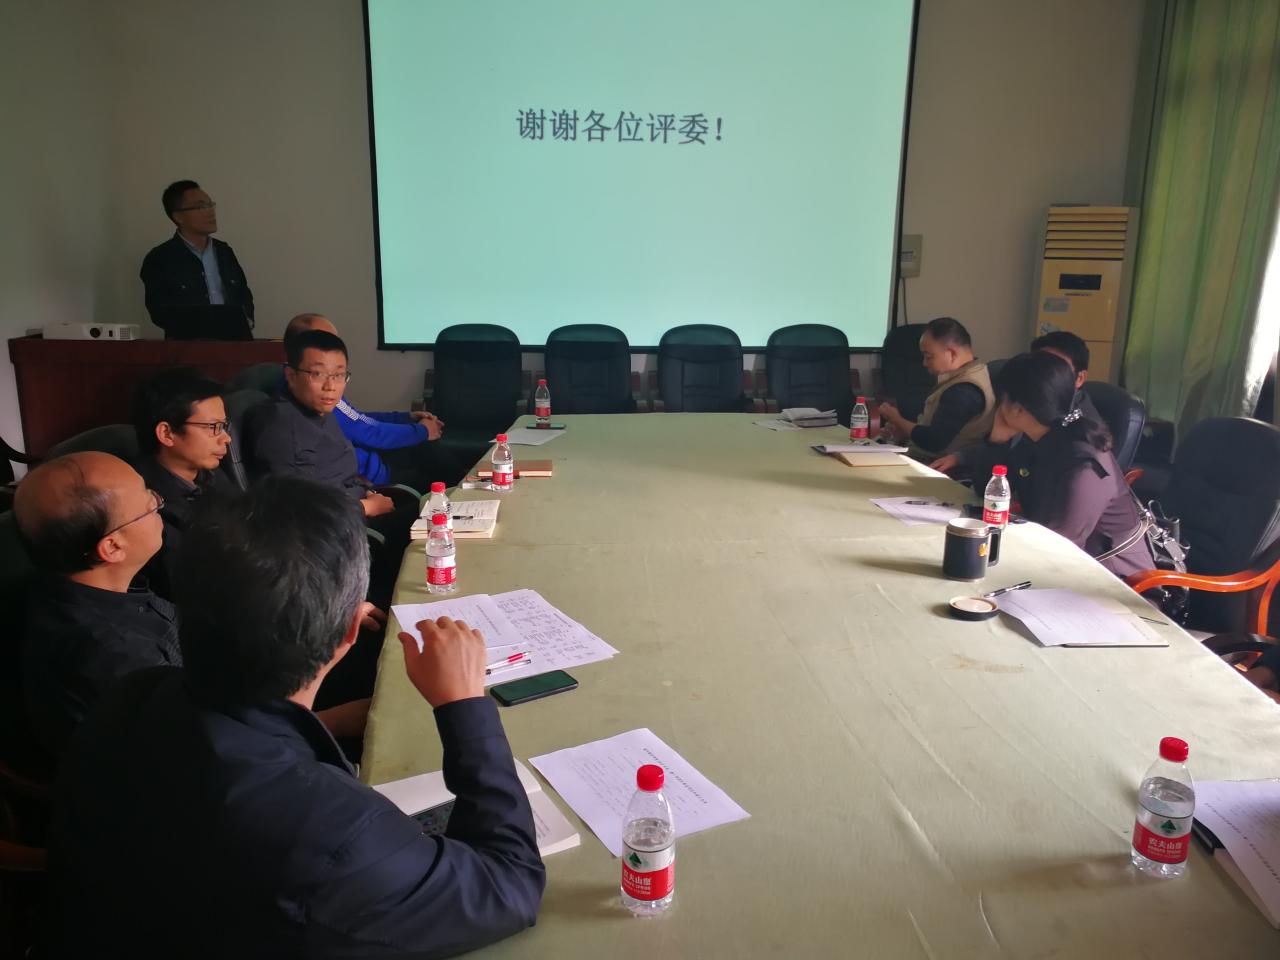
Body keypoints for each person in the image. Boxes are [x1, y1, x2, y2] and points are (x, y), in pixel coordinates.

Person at [48, 477, 546, 956]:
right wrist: (464, 706)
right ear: (351, 631)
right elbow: (510, 886)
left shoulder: (134, 692)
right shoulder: (333, 833)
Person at [14, 452, 179, 757]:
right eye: (150, 505)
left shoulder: (87, 584)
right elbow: (192, 743)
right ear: (113, 546)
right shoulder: (115, 654)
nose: (159, 503)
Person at [243, 328, 414, 611]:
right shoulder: (281, 426)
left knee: (436, 515)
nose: (330, 386)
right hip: (335, 538)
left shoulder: (319, 412)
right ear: (291, 375)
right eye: (317, 374)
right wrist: (365, 507)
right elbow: (296, 509)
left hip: (352, 514)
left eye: (339, 375)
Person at [989, 352, 1154, 577]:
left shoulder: (1083, 465)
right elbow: (989, 492)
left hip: (1115, 582)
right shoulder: (1039, 439)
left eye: (1001, 399)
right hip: (1061, 565)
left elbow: (1060, 549)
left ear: (1018, 408)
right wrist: (997, 442)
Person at [284, 313, 458, 488]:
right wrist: (422, 431)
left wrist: (405, 418)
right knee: (435, 470)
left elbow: (358, 418)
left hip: (373, 461)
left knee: (430, 452)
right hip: (371, 477)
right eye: (322, 341)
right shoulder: (308, 399)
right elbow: (368, 432)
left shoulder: (321, 392)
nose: (333, 347)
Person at [930, 330, 1100, 477]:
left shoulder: (1079, 429)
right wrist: (966, 455)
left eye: (1055, 366)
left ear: (1080, 378)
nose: (1043, 372)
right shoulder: (1024, 407)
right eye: (1038, 364)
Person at [131, 368, 232, 600]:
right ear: (167, 433)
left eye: (224, 425)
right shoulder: (144, 507)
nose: (226, 438)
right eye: (213, 427)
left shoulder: (211, 475)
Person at [139, 179, 254, 334]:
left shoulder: (224, 251)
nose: (210, 211)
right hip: (188, 345)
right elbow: (159, 311)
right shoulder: (160, 259)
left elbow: (243, 293)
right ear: (178, 216)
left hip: (233, 341)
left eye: (210, 205)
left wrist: (246, 320)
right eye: (201, 207)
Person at [879, 317, 995, 461]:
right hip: (920, 454)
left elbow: (933, 441)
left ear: (952, 354)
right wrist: (903, 432)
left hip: (933, 464)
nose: (924, 363)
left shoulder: (964, 391)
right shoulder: (975, 372)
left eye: (928, 356)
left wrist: (897, 419)